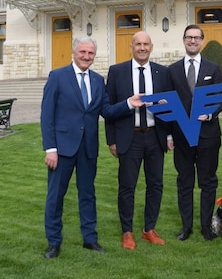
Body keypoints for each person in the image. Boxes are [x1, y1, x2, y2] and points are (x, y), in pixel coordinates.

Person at [41, 36, 146, 259]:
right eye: (83, 52)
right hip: (61, 149)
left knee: (88, 195)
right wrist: (50, 148)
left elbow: (106, 111)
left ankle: (90, 239)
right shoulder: (57, 77)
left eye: (90, 53)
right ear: (74, 52)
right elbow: (46, 115)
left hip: (88, 148)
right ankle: (54, 242)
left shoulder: (98, 80)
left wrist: (129, 103)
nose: (87, 57)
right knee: (56, 196)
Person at [105, 31, 172, 250]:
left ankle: (149, 229)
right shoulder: (117, 72)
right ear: (131, 47)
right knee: (127, 187)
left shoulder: (162, 73)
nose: (142, 48)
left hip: (155, 136)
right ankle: (127, 232)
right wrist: (111, 140)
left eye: (146, 44)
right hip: (129, 136)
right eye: (138, 44)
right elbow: (108, 110)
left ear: (151, 47)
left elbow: (169, 107)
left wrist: (169, 134)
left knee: (156, 185)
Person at [168, 24, 222, 241]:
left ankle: (206, 227)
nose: (193, 41)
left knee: (208, 181)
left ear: (202, 40)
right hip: (181, 135)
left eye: (196, 37)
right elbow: (168, 100)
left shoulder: (213, 68)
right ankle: (186, 227)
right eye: (189, 37)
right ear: (184, 40)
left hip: (208, 135)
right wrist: (168, 135)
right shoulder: (172, 70)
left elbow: (219, 98)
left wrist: (210, 115)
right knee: (184, 181)